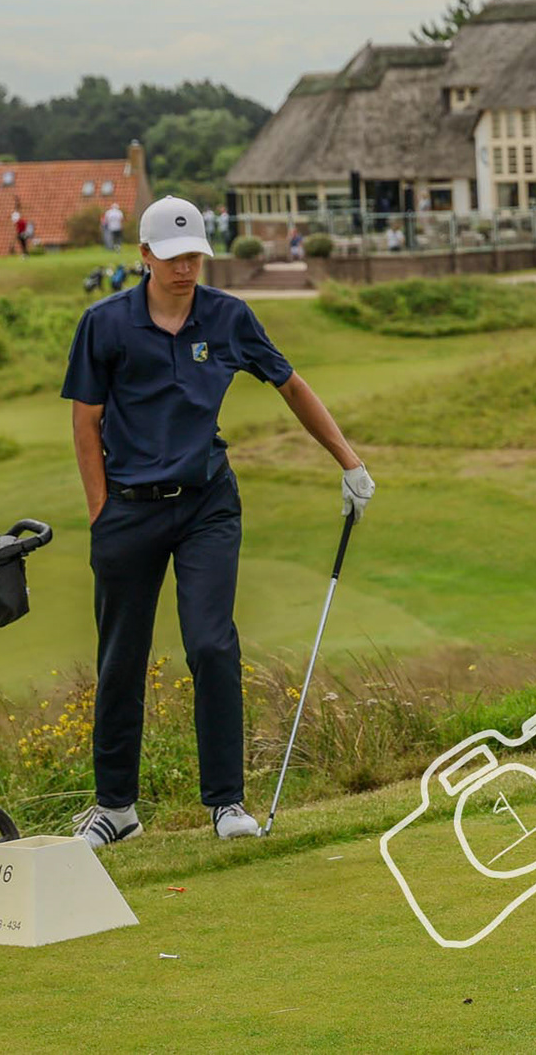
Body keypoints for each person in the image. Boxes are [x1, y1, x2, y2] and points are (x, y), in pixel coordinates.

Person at [61, 195, 376, 847]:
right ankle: (117, 808)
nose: (186, 268)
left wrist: (349, 462)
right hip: (127, 509)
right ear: (145, 256)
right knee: (121, 657)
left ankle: (227, 804)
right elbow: (85, 421)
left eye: (195, 256)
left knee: (211, 644)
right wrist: (100, 512)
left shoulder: (228, 317)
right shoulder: (106, 324)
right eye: (173, 258)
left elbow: (291, 384)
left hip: (207, 504)